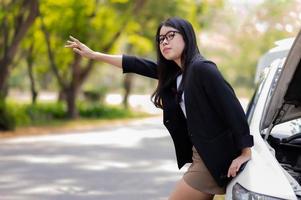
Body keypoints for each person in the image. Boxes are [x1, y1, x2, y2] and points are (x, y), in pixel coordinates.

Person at [65, 17, 254, 200]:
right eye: (161, 39)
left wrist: (245, 152)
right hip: (201, 155)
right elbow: (135, 64)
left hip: (211, 159)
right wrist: (94, 55)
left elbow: (232, 108)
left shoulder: (202, 68)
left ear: (187, 36)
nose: (164, 42)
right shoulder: (177, 73)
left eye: (171, 35)